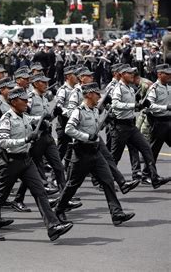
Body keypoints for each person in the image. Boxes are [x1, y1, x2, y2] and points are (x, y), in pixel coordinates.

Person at [0, 87, 73, 241]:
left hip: (25, 160)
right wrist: (25, 139)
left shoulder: (23, 116)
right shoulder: (7, 119)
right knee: (0, 196)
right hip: (10, 162)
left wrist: (46, 116)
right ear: (14, 102)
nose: (26, 102)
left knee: (40, 192)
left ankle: (52, 225)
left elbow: (35, 119)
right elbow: (3, 142)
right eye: (23, 100)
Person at [55, 82, 136, 226]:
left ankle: (116, 213)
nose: (99, 96)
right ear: (89, 95)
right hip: (81, 153)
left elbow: (97, 127)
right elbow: (69, 129)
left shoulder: (94, 110)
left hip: (95, 152)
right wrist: (86, 137)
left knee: (108, 181)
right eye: (97, 93)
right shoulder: (78, 111)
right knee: (73, 184)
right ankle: (59, 209)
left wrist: (108, 117)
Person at [110, 66, 171, 189]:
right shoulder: (118, 88)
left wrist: (140, 104)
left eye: (133, 73)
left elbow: (142, 105)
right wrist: (135, 105)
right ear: (122, 74)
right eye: (129, 73)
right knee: (115, 156)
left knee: (147, 150)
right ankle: (106, 180)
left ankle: (154, 178)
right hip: (120, 126)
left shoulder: (131, 89)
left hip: (131, 125)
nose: (133, 75)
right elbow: (115, 104)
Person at [146, 64, 171, 161]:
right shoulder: (154, 88)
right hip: (159, 123)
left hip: (169, 121)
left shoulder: (169, 86)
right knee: (153, 150)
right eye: (167, 74)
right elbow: (150, 106)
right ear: (159, 74)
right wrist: (166, 107)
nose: (170, 76)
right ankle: (147, 174)